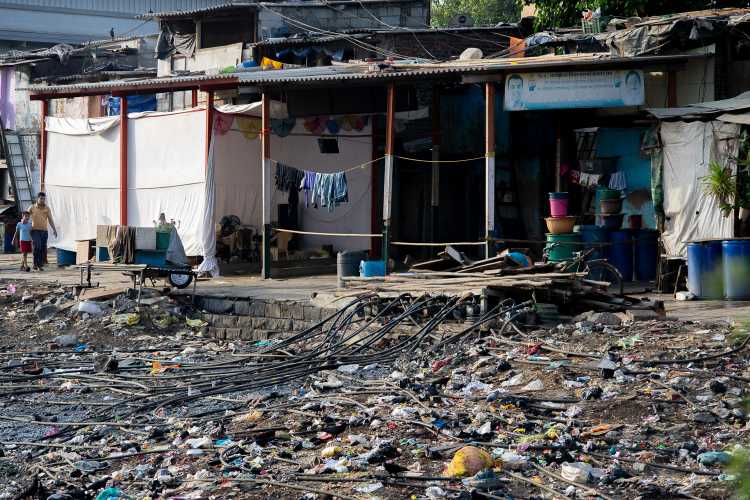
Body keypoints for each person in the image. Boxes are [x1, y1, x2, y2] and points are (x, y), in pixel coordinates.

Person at [28, 192, 57, 271]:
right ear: (37, 198)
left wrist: (54, 229)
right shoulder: (32, 207)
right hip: (35, 230)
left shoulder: (47, 208)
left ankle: (40, 265)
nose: (42, 200)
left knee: (42, 249)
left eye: (44, 199)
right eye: (41, 198)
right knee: (37, 246)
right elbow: (26, 216)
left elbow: (50, 220)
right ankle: (34, 263)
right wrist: (25, 225)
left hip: (44, 231)